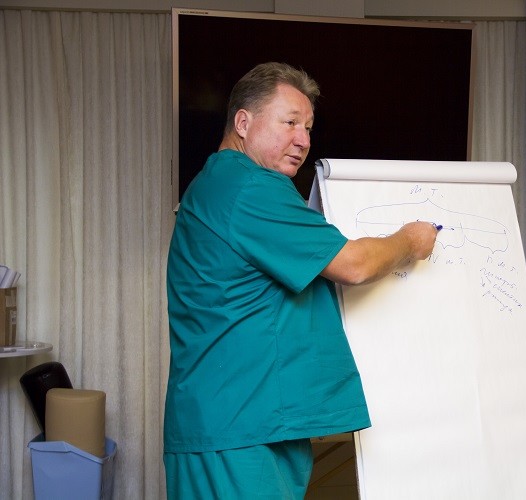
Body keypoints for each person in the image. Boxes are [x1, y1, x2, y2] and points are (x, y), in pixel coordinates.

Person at [163, 62, 438, 498]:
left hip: (244, 424)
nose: (303, 140)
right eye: (289, 122)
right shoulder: (249, 187)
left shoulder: (219, 184)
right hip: (240, 430)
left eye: (308, 128)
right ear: (243, 123)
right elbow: (353, 265)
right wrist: (410, 241)